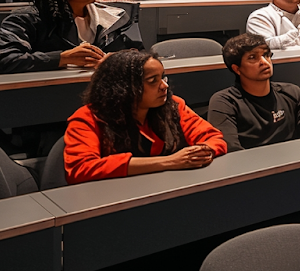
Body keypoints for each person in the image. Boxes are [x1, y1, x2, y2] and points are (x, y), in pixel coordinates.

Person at [63, 50, 227, 182]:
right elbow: (81, 168)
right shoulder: (88, 117)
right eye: (152, 80)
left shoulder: (173, 105)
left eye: (163, 77)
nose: (164, 86)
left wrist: (202, 152)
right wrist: (169, 162)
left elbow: (212, 137)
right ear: (124, 88)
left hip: (167, 187)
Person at [0, 0, 143, 73]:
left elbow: (139, 53)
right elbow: (2, 61)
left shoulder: (116, 16)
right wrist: (62, 58)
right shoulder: (26, 19)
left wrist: (117, 59)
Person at [208, 34, 300, 150]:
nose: (264, 62)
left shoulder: (292, 92)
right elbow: (231, 151)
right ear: (237, 69)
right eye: (252, 57)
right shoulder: (224, 102)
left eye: (266, 55)